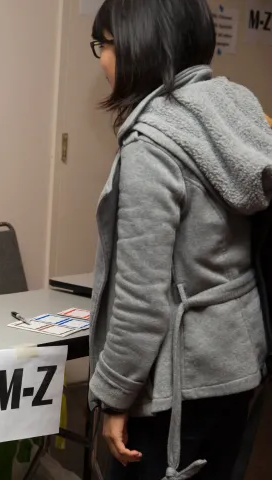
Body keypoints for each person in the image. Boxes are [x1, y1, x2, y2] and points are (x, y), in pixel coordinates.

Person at [87, 1, 272, 479]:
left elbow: (141, 302)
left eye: (104, 45)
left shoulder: (152, 144)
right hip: (236, 360)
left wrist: (112, 395)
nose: (102, 59)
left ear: (136, 47)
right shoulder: (238, 109)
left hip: (178, 383)